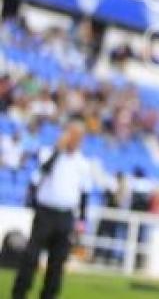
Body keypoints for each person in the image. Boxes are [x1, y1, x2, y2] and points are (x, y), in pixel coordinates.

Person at [12, 119, 93, 299]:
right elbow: (40, 174)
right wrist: (58, 150)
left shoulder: (83, 163)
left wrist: (82, 220)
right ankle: (19, 293)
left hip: (65, 216)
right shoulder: (49, 153)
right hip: (45, 213)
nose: (74, 139)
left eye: (78, 136)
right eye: (71, 134)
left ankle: (48, 296)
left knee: (57, 262)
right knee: (31, 257)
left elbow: (85, 193)